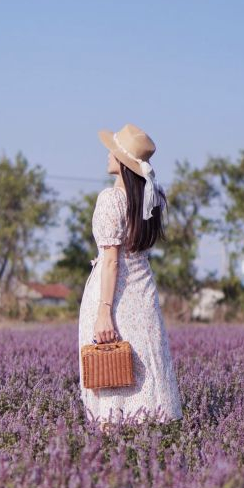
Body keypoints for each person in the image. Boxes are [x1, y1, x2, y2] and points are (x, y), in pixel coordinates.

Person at [78, 122, 183, 432]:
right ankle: (155, 438)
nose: (107, 154)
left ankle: (112, 440)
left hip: (116, 295)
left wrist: (103, 312)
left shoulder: (110, 200)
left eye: (113, 150)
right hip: (143, 294)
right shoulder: (153, 198)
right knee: (147, 366)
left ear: (123, 162)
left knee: (109, 368)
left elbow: (111, 262)